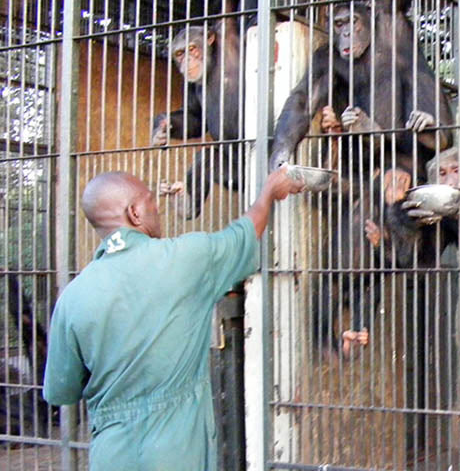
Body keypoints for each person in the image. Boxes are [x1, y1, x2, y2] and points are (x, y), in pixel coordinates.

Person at [42, 166, 305, 470]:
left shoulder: (72, 297)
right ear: (134, 213)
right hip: (176, 451)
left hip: (110, 454)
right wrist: (269, 191)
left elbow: (61, 390)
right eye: (152, 202)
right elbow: (244, 233)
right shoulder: (184, 258)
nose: (158, 210)